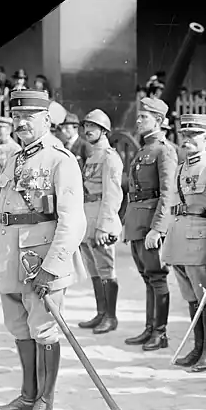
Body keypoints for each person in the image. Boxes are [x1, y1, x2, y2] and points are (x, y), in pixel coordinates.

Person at [0, 90, 87, 410]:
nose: (21, 122)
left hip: (41, 259)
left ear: (47, 119)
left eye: (29, 116)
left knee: (43, 331)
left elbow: (73, 221)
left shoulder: (61, 160)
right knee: (18, 327)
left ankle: (45, 401)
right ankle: (27, 395)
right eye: (17, 116)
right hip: (10, 256)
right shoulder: (15, 159)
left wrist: (53, 267)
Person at [162, 113, 206, 372]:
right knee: (191, 297)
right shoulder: (182, 168)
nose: (187, 140)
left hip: (200, 242)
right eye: (184, 135)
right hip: (180, 240)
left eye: (193, 135)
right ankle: (198, 347)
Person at [120, 97, 178, 351]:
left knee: (157, 277)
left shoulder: (164, 150)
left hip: (151, 223)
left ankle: (160, 333)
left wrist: (158, 228)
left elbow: (168, 193)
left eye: (144, 116)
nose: (138, 119)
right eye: (140, 115)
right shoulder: (145, 149)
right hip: (137, 221)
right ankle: (149, 328)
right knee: (147, 277)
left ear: (160, 120)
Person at [75, 110, 125, 335]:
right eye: (86, 126)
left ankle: (111, 317)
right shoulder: (93, 155)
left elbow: (112, 194)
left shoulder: (109, 157)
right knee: (94, 269)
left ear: (104, 130)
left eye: (93, 127)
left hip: (101, 217)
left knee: (106, 268)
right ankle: (101, 312)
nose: (88, 130)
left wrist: (105, 226)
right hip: (88, 214)